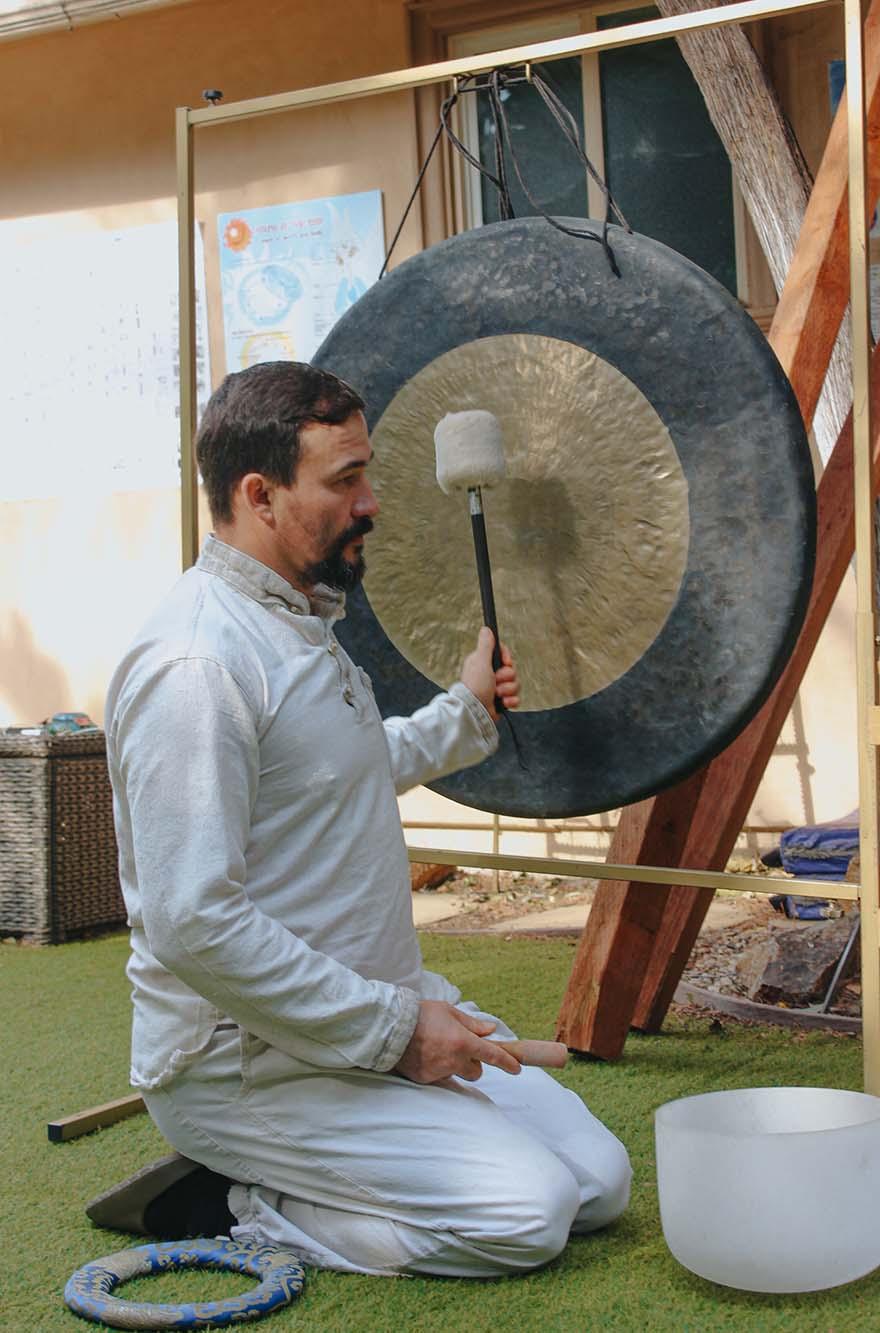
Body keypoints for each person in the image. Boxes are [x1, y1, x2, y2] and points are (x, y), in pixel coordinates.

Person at [93, 361, 631, 1277]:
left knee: (598, 1183)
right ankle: (240, 1200)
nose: (372, 501)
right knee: (528, 1215)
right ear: (260, 494)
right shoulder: (197, 663)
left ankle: (335, 1161)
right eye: (346, 480)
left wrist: (462, 713)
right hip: (250, 1063)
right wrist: (396, 1030)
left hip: (369, 1013)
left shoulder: (295, 620)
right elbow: (190, 921)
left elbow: (338, 774)